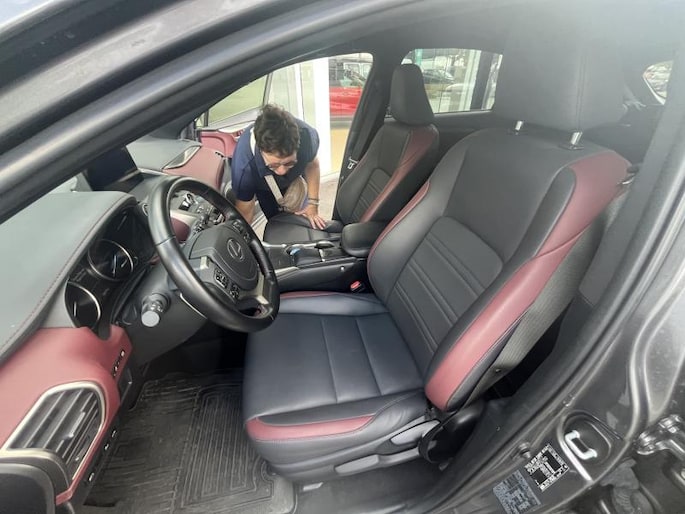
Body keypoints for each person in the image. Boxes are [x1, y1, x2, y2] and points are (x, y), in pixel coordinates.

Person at [231, 104, 326, 230]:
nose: (281, 171)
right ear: (261, 151)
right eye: (274, 165)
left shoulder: (307, 137)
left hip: (297, 181)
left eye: (289, 163)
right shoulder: (244, 168)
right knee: (278, 225)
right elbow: (245, 215)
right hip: (265, 189)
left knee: (305, 222)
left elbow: (313, 166)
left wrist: (313, 204)